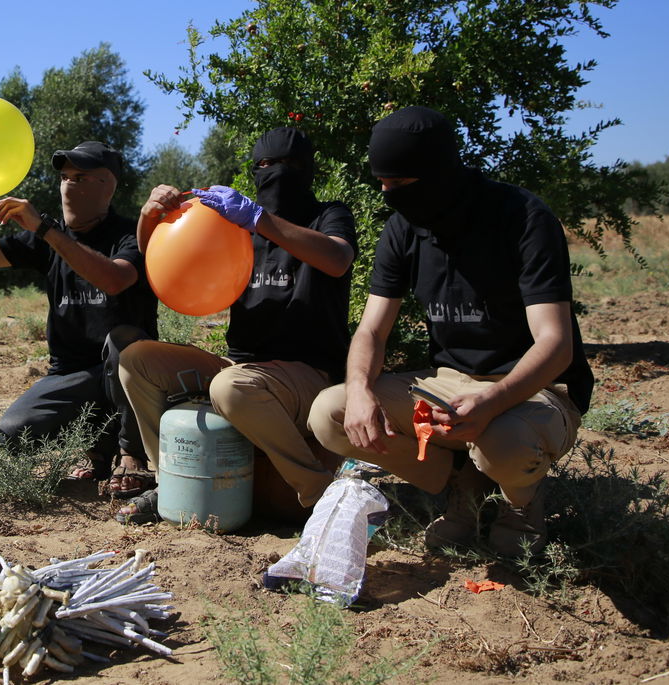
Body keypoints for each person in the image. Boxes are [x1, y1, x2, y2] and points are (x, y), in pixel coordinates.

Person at [308, 106, 594, 557]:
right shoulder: (404, 229)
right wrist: (361, 390)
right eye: (382, 184)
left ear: (439, 173)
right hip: (452, 382)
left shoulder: (521, 217)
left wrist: (493, 400)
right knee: (333, 412)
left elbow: (556, 344)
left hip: (535, 386)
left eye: (399, 185)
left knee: (505, 440)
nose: (388, 195)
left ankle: (522, 501)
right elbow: (372, 331)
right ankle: (466, 487)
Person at [115, 126, 358, 523]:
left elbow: (338, 259)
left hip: (308, 373)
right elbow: (162, 260)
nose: (276, 173)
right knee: (136, 360)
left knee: (229, 387)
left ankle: (320, 492)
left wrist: (260, 219)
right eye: (266, 165)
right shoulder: (232, 227)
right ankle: (171, 480)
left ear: (308, 171)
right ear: (254, 171)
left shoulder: (327, 215)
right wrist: (150, 215)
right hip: (242, 366)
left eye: (289, 165)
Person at [0, 141, 158, 495]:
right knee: (12, 432)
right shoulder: (47, 238)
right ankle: (96, 448)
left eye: (80, 177)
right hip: (71, 377)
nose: (68, 185)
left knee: (124, 343)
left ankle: (131, 453)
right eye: (64, 177)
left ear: (108, 185)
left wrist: (45, 229)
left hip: (128, 376)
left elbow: (114, 278)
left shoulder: (131, 235)